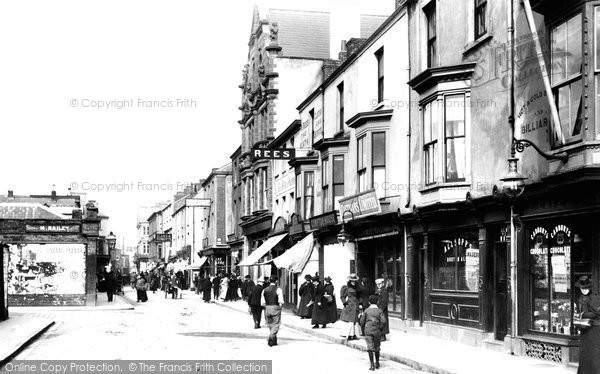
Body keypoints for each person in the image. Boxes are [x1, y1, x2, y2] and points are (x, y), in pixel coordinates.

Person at [575, 276, 600, 374]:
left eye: (586, 288)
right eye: (582, 288)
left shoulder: (595, 297)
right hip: (584, 328)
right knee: (585, 352)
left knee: (594, 352)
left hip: (594, 329)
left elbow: (597, 313)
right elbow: (580, 309)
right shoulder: (581, 297)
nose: (584, 290)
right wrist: (578, 315)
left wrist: (583, 315)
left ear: (589, 288)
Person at [360, 295, 387, 371]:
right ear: (378, 302)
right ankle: (377, 363)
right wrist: (380, 328)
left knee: (370, 347)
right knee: (377, 347)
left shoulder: (366, 310)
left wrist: (363, 328)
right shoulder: (379, 311)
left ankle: (372, 364)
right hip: (377, 330)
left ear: (369, 302)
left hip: (368, 330)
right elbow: (384, 321)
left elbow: (362, 322)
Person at [261, 276, 284, 346]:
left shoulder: (264, 290)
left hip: (267, 307)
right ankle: (270, 337)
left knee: (270, 324)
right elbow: (281, 301)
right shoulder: (278, 289)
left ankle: (274, 341)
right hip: (275, 307)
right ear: (276, 281)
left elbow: (262, 302)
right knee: (276, 324)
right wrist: (280, 307)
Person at [340, 273, 362, 340]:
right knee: (350, 321)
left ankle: (354, 334)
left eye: (354, 281)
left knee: (355, 321)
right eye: (352, 281)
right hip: (349, 306)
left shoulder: (358, 288)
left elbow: (360, 296)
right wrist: (345, 303)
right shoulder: (346, 288)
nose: (353, 282)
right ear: (350, 281)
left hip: (356, 306)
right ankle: (349, 335)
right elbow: (342, 297)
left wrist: (361, 303)